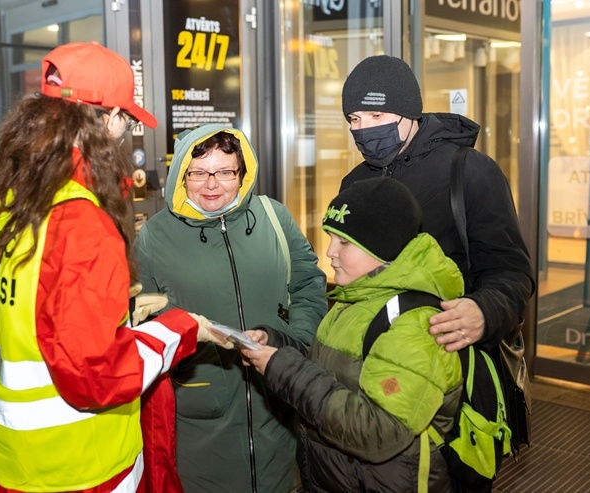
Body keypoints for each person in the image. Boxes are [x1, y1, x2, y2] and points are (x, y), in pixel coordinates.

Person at [0, 41, 223, 493]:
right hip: (86, 466)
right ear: (106, 117)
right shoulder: (81, 217)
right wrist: (179, 328)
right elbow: (97, 377)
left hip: (9, 461)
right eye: (129, 119)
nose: (128, 130)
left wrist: (111, 315)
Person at [135, 124, 328, 493]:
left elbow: (307, 283)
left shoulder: (273, 218)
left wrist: (295, 342)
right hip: (201, 416)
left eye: (225, 172)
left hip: (278, 405)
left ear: (242, 174)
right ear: (182, 175)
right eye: (199, 173)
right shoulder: (153, 238)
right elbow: (142, 320)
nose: (212, 184)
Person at [241, 177, 464, 492]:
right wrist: (278, 347)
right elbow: (334, 372)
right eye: (331, 238)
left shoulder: (415, 324)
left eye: (344, 242)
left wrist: (284, 369)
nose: (330, 252)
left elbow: (379, 433)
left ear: (382, 245)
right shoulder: (357, 298)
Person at [339, 55, 534, 353]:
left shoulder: (470, 170)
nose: (364, 129)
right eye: (354, 119)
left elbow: (510, 269)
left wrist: (484, 311)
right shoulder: (353, 184)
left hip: (448, 351)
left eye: (376, 116)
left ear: (410, 113)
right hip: (369, 349)